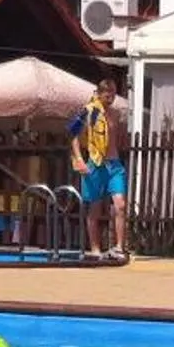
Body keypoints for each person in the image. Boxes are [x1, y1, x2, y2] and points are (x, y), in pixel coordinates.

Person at [70, 73, 129, 262]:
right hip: (95, 163)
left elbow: (117, 138)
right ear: (100, 93)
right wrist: (79, 159)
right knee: (94, 207)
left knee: (120, 205)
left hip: (114, 164)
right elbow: (73, 136)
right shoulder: (89, 111)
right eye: (107, 94)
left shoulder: (116, 114)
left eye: (113, 94)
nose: (111, 97)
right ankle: (95, 248)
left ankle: (119, 247)